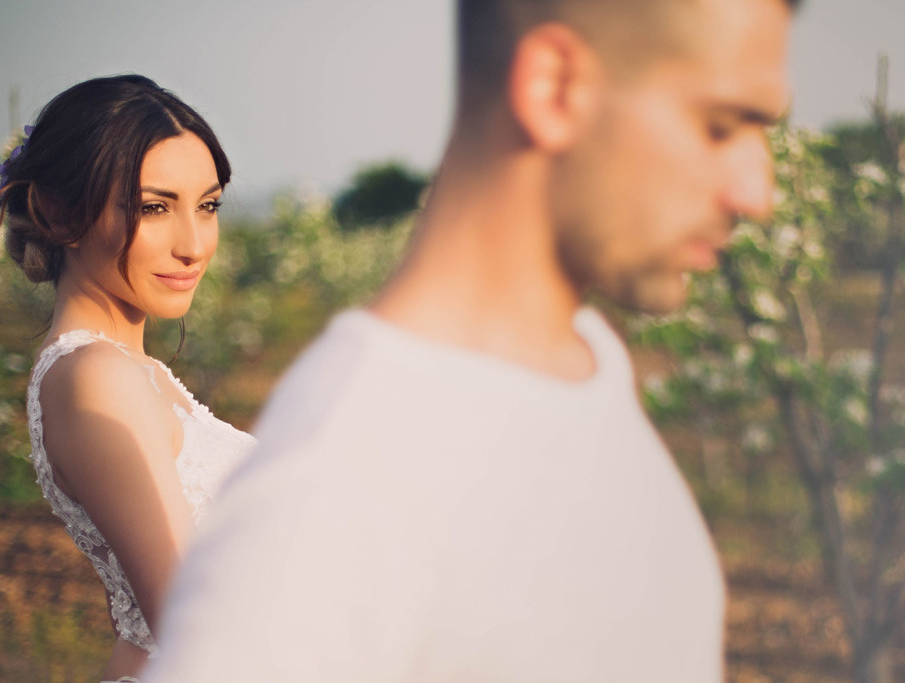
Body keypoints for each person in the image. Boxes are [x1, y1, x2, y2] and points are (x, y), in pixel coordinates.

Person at [145, 0, 797, 680]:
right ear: (555, 88)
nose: (759, 193)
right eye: (720, 128)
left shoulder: (588, 360)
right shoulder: (343, 478)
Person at [0, 75, 255, 682]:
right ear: (59, 212)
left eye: (207, 206)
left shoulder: (131, 372)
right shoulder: (95, 377)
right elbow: (194, 626)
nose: (194, 244)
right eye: (153, 208)